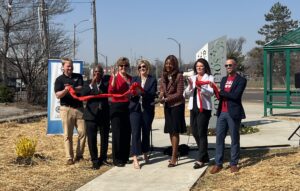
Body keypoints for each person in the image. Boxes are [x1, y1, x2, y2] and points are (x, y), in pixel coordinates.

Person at [210, 57, 247, 174]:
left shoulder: (241, 80)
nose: (228, 67)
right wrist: (216, 91)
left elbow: (236, 96)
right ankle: (218, 163)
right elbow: (222, 96)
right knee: (219, 138)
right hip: (222, 112)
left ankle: (233, 163)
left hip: (233, 113)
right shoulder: (224, 79)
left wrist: (221, 92)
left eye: (230, 65)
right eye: (226, 65)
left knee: (234, 138)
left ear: (235, 66)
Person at [54, 58, 86, 165]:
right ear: (63, 67)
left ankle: (79, 155)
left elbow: (81, 88)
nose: (70, 68)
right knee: (68, 134)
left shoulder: (78, 76)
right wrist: (66, 90)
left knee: (82, 132)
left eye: (71, 66)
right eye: (68, 66)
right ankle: (69, 157)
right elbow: (58, 95)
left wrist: (73, 88)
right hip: (66, 109)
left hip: (79, 109)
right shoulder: (59, 79)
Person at [184, 58, 214, 169]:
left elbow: (211, 93)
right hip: (194, 107)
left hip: (204, 109)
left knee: (202, 133)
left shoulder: (209, 78)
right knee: (195, 132)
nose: (199, 68)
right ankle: (205, 155)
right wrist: (191, 86)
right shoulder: (192, 78)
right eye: (197, 66)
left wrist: (201, 88)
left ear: (205, 67)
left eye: (201, 66)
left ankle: (200, 159)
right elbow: (186, 93)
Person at [81, 65, 112, 170]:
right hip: (91, 115)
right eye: (95, 72)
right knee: (92, 139)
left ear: (102, 74)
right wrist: (92, 84)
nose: (97, 74)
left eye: (99, 72)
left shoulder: (106, 83)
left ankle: (103, 158)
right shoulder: (87, 83)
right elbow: (83, 94)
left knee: (104, 138)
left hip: (104, 114)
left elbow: (112, 88)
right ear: (92, 73)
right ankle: (94, 161)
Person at [129, 59, 157, 169]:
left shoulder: (152, 80)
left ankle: (145, 152)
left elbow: (152, 94)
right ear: (138, 69)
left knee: (145, 132)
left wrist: (142, 92)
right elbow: (130, 94)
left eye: (144, 66)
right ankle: (135, 157)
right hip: (135, 110)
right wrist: (135, 93)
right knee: (135, 133)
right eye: (140, 67)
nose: (142, 69)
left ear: (147, 68)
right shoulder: (134, 79)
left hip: (147, 110)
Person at [159, 55, 186, 167]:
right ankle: (175, 152)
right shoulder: (164, 75)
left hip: (177, 106)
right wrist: (161, 93)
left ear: (175, 64)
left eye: (170, 63)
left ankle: (174, 156)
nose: (168, 65)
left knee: (175, 130)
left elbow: (179, 94)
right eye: (166, 63)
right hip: (168, 106)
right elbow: (162, 88)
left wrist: (166, 98)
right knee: (170, 130)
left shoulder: (179, 76)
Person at [108, 57, 132, 167]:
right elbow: (111, 91)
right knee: (117, 133)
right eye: (121, 66)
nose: (123, 68)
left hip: (127, 107)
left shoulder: (130, 78)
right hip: (116, 106)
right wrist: (113, 77)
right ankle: (117, 159)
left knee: (126, 133)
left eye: (125, 66)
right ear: (118, 67)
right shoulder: (114, 77)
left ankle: (125, 156)